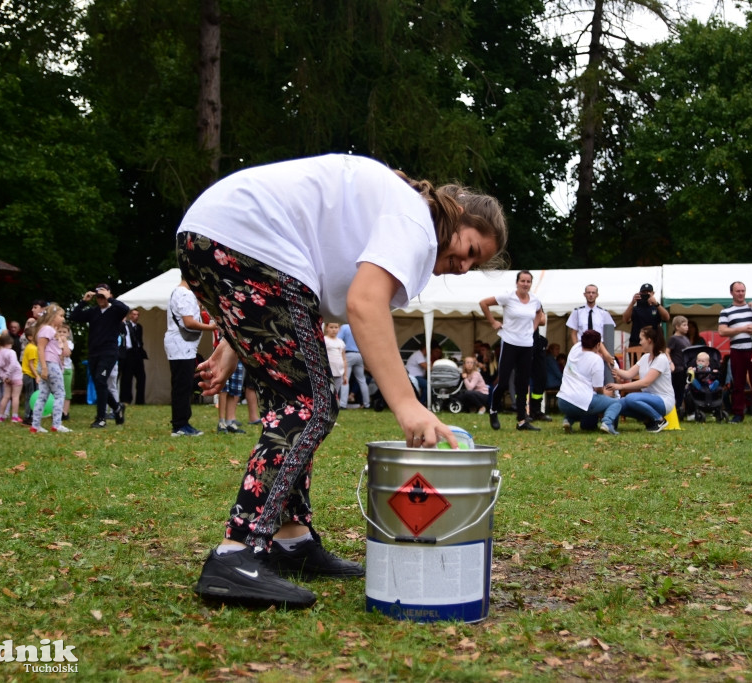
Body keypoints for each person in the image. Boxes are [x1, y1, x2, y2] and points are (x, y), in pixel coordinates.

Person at [177, 153, 506, 610]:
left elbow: (305, 288)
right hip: (249, 241)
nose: (465, 267)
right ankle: (238, 551)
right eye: (471, 250)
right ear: (457, 215)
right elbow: (363, 303)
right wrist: (408, 405)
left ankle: (289, 538)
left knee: (290, 401)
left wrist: (235, 343)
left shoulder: (392, 211)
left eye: (476, 265)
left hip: (212, 235)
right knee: (309, 404)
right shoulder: (415, 222)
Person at [480, 270, 544, 431]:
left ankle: (522, 420)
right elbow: (483, 303)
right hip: (509, 342)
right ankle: (493, 410)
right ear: (517, 282)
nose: (525, 284)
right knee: (502, 382)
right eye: (522, 281)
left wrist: (533, 327)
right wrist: (493, 322)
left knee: (523, 384)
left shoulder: (535, 300)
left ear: (531, 284)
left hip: (527, 344)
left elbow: (539, 314)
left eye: (528, 281)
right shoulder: (508, 297)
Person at [68, 284, 129, 428]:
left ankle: (101, 418)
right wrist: (84, 301)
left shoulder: (115, 310)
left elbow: (125, 309)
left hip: (108, 352)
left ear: (109, 295)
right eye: (98, 296)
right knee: (98, 383)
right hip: (94, 353)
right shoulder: (93, 312)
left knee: (101, 380)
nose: (100, 299)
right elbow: (73, 316)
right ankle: (117, 407)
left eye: (103, 296)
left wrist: (110, 298)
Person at [166, 280, 215, 436]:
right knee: (183, 385)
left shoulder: (179, 292)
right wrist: (212, 327)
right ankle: (180, 425)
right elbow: (189, 322)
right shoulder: (185, 293)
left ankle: (181, 423)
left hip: (180, 345)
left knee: (182, 384)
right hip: (182, 345)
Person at [605, 325, 674, 433]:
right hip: (647, 398)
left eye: (641, 339)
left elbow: (645, 383)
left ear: (649, 340)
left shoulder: (661, 359)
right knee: (618, 403)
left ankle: (659, 420)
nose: (640, 342)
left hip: (664, 401)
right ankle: (608, 424)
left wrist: (621, 386)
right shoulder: (645, 357)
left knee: (631, 398)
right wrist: (613, 366)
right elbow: (628, 374)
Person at [718, 281, 752, 425]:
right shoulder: (726, 311)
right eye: (737, 291)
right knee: (738, 383)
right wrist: (743, 329)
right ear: (731, 293)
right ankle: (738, 414)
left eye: (743, 291)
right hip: (737, 350)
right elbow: (722, 331)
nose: (741, 293)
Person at [560, 330, 624, 435]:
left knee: (577, 405)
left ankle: (568, 420)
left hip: (563, 400)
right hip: (583, 400)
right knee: (615, 403)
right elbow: (598, 388)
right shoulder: (596, 359)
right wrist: (605, 393)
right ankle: (607, 423)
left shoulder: (574, 349)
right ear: (598, 345)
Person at [31, 305, 72, 433]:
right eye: (60, 316)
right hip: (50, 365)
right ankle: (56, 424)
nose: (63, 319)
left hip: (49, 365)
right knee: (60, 394)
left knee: (43, 395)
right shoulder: (47, 329)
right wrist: (44, 367)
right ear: (52, 317)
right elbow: (41, 348)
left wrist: (63, 341)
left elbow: (65, 353)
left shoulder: (50, 330)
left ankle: (35, 425)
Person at [622, 283, 669, 348]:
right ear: (640, 293)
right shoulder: (635, 309)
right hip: (636, 343)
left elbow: (667, 318)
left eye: (648, 292)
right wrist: (632, 302)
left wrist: (656, 303)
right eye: (643, 292)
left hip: (653, 342)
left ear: (653, 293)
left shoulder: (657, 308)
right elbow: (625, 319)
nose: (646, 294)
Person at [337, 323, 369, 409]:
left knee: (345, 378)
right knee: (362, 380)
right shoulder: (361, 326)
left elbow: (338, 340)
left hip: (348, 354)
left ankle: (343, 404)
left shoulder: (344, 327)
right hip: (360, 355)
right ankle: (367, 404)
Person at [119, 309, 147, 405]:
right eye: (134, 314)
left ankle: (140, 401)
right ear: (130, 315)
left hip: (138, 353)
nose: (136, 316)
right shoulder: (126, 325)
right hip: (129, 353)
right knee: (127, 377)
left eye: (137, 315)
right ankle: (126, 399)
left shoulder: (139, 327)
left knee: (141, 377)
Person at [0, 332, 24, 423]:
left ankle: (0, 416)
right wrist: (8, 374)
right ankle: (14, 416)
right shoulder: (11, 352)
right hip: (16, 376)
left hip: (6, 378)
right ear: (9, 343)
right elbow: (13, 364)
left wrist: (4, 376)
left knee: (6, 396)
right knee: (15, 396)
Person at [667, 315, 692, 415]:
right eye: (684, 325)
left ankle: (680, 409)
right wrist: (670, 362)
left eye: (687, 325)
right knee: (676, 390)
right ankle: (675, 409)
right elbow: (667, 351)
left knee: (682, 390)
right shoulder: (673, 339)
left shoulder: (686, 339)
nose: (687, 327)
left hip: (685, 368)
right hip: (677, 369)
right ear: (677, 327)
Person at [20, 326, 39, 423]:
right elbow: (31, 364)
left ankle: (29, 415)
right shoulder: (32, 348)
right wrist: (37, 376)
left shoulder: (33, 347)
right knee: (32, 397)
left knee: (30, 396)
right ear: (30, 337)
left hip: (30, 376)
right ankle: (29, 417)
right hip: (30, 376)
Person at [323, 321, 347, 398]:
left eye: (336, 327)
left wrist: (345, 375)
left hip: (338, 373)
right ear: (327, 328)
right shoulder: (324, 340)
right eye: (331, 327)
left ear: (339, 329)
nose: (334, 330)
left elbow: (344, 359)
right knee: (327, 391)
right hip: (327, 372)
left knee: (335, 393)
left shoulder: (341, 342)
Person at [58, 324, 74, 421]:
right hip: (57, 368)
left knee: (66, 391)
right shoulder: (54, 342)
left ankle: (65, 412)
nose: (62, 334)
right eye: (60, 331)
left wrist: (64, 343)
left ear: (68, 334)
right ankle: (57, 410)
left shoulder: (69, 343)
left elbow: (67, 353)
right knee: (57, 391)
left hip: (67, 369)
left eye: (64, 332)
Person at [404, 340, 429, 404]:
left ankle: (422, 402)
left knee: (427, 385)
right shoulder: (418, 354)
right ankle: (421, 403)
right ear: (426, 348)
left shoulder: (423, 356)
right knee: (428, 386)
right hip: (413, 376)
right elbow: (427, 367)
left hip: (418, 377)